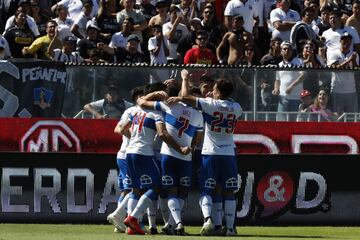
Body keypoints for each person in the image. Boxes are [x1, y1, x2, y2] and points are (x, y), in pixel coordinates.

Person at [166, 76, 242, 236]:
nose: (211, 92)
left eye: (214, 90)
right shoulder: (237, 107)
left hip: (210, 153)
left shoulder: (210, 104)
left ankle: (208, 219)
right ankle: (229, 228)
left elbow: (187, 98)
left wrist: (185, 78)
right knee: (229, 191)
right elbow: (228, 103)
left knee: (206, 190)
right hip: (229, 153)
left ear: (219, 93)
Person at [137, 73, 204, 235]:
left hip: (168, 156)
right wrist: (190, 147)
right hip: (185, 158)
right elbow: (198, 139)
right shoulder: (198, 115)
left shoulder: (167, 106)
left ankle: (176, 224)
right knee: (182, 192)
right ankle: (174, 224)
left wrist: (155, 94)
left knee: (171, 191)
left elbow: (140, 102)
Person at [120, 87, 190, 235]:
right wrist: (179, 148)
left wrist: (134, 138)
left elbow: (122, 129)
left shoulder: (135, 111)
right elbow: (162, 133)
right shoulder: (156, 113)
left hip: (129, 152)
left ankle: (131, 227)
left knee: (135, 189)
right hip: (144, 153)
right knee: (155, 187)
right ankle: (133, 218)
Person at [107, 86, 144, 234]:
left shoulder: (140, 111)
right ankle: (122, 218)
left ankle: (120, 223)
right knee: (135, 188)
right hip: (127, 154)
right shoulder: (132, 111)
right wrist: (133, 137)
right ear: (137, 98)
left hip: (126, 154)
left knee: (126, 189)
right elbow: (118, 129)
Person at [327, 31, 359, 114]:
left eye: (348, 40)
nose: (346, 42)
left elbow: (356, 69)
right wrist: (349, 60)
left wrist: (354, 60)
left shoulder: (354, 54)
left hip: (351, 90)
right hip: (337, 90)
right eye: (344, 40)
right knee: (337, 116)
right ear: (340, 41)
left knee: (351, 116)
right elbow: (335, 69)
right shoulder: (334, 53)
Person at [272, 41, 304, 121]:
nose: (286, 50)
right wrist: (276, 89)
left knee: (293, 122)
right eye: (284, 49)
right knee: (280, 122)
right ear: (281, 51)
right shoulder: (279, 65)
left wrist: (291, 86)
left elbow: (303, 76)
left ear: (292, 51)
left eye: (288, 49)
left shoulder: (299, 61)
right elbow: (277, 79)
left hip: (295, 98)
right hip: (283, 98)